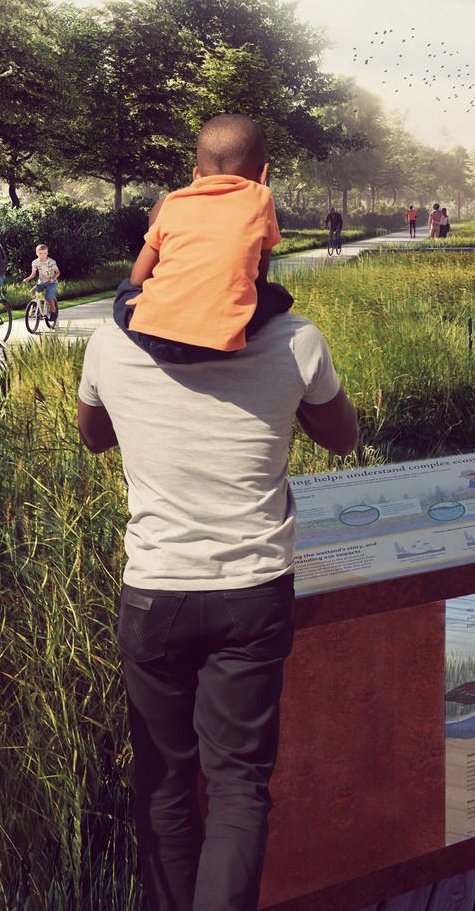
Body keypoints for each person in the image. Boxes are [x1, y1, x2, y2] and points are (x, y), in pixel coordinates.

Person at [75, 236, 361, 911]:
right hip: (252, 593)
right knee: (237, 786)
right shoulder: (295, 339)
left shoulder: (112, 342)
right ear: (253, 256)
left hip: (154, 593)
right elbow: (343, 436)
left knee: (165, 782)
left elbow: (93, 436)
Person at [116, 116, 295, 367]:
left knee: (126, 290)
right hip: (219, 343)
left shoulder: (173, 202)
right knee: (277, 296)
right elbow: (258, 279)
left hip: (152, 336)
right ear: (263, 174)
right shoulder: (261, 197)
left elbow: (138, 279)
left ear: (196, 175)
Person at [23, 242, 62, 326]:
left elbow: (58, 272)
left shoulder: (51, 262)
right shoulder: (35, 262)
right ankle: (35, 306)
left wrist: (53, 278)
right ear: (37, 253)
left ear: (47, 253)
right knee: (32, 291)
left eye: (45, 253)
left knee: (49, 297)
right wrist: (27, 278)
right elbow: (33, 273)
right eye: (40, 253)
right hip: (41, 282)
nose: (43, 255)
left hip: (52, 283)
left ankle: (53, 313)